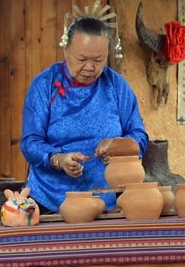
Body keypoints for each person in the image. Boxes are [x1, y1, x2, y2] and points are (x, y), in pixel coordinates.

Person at [20, 17, 149, 213]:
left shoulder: (116, 85)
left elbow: (139, 135)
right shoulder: (44, 85)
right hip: (50, 200)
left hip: (108, 200)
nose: (90, 67)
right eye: (81, 59)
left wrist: (118, 146)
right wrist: (58, 159)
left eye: (98, 60)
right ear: (66, 51)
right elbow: (30, 143)